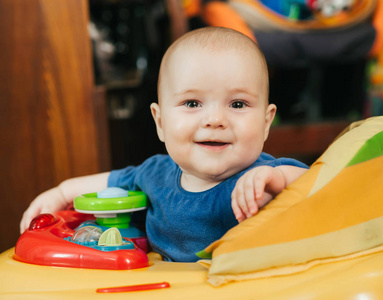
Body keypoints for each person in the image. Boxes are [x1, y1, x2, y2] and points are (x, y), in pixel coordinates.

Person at [20, 27, 308, 262]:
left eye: (238, 103)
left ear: (266, 122)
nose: (215, 119)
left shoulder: (263, 176)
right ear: (160, 122)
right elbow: (113, 182)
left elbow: (320, 183)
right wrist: (61, 192)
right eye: (192, 103)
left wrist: (277, 179)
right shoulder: (155, 174)